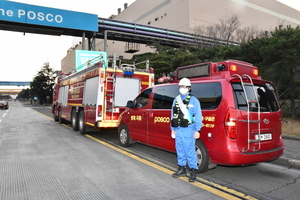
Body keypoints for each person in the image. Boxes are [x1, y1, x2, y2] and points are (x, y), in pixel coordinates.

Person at [170, 77, 202, 182]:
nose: (182, 88)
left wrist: (197, 130)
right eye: (181, 86)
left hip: (189, 129)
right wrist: (172, 129)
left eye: (184, 87)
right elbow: (173, 115)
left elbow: (198, 115)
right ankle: (182, 169)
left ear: (189, 88)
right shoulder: (176, 100)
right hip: (178, 129)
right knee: (180, 150)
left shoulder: (194, 100)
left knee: (189, 151)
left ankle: (193, 170)